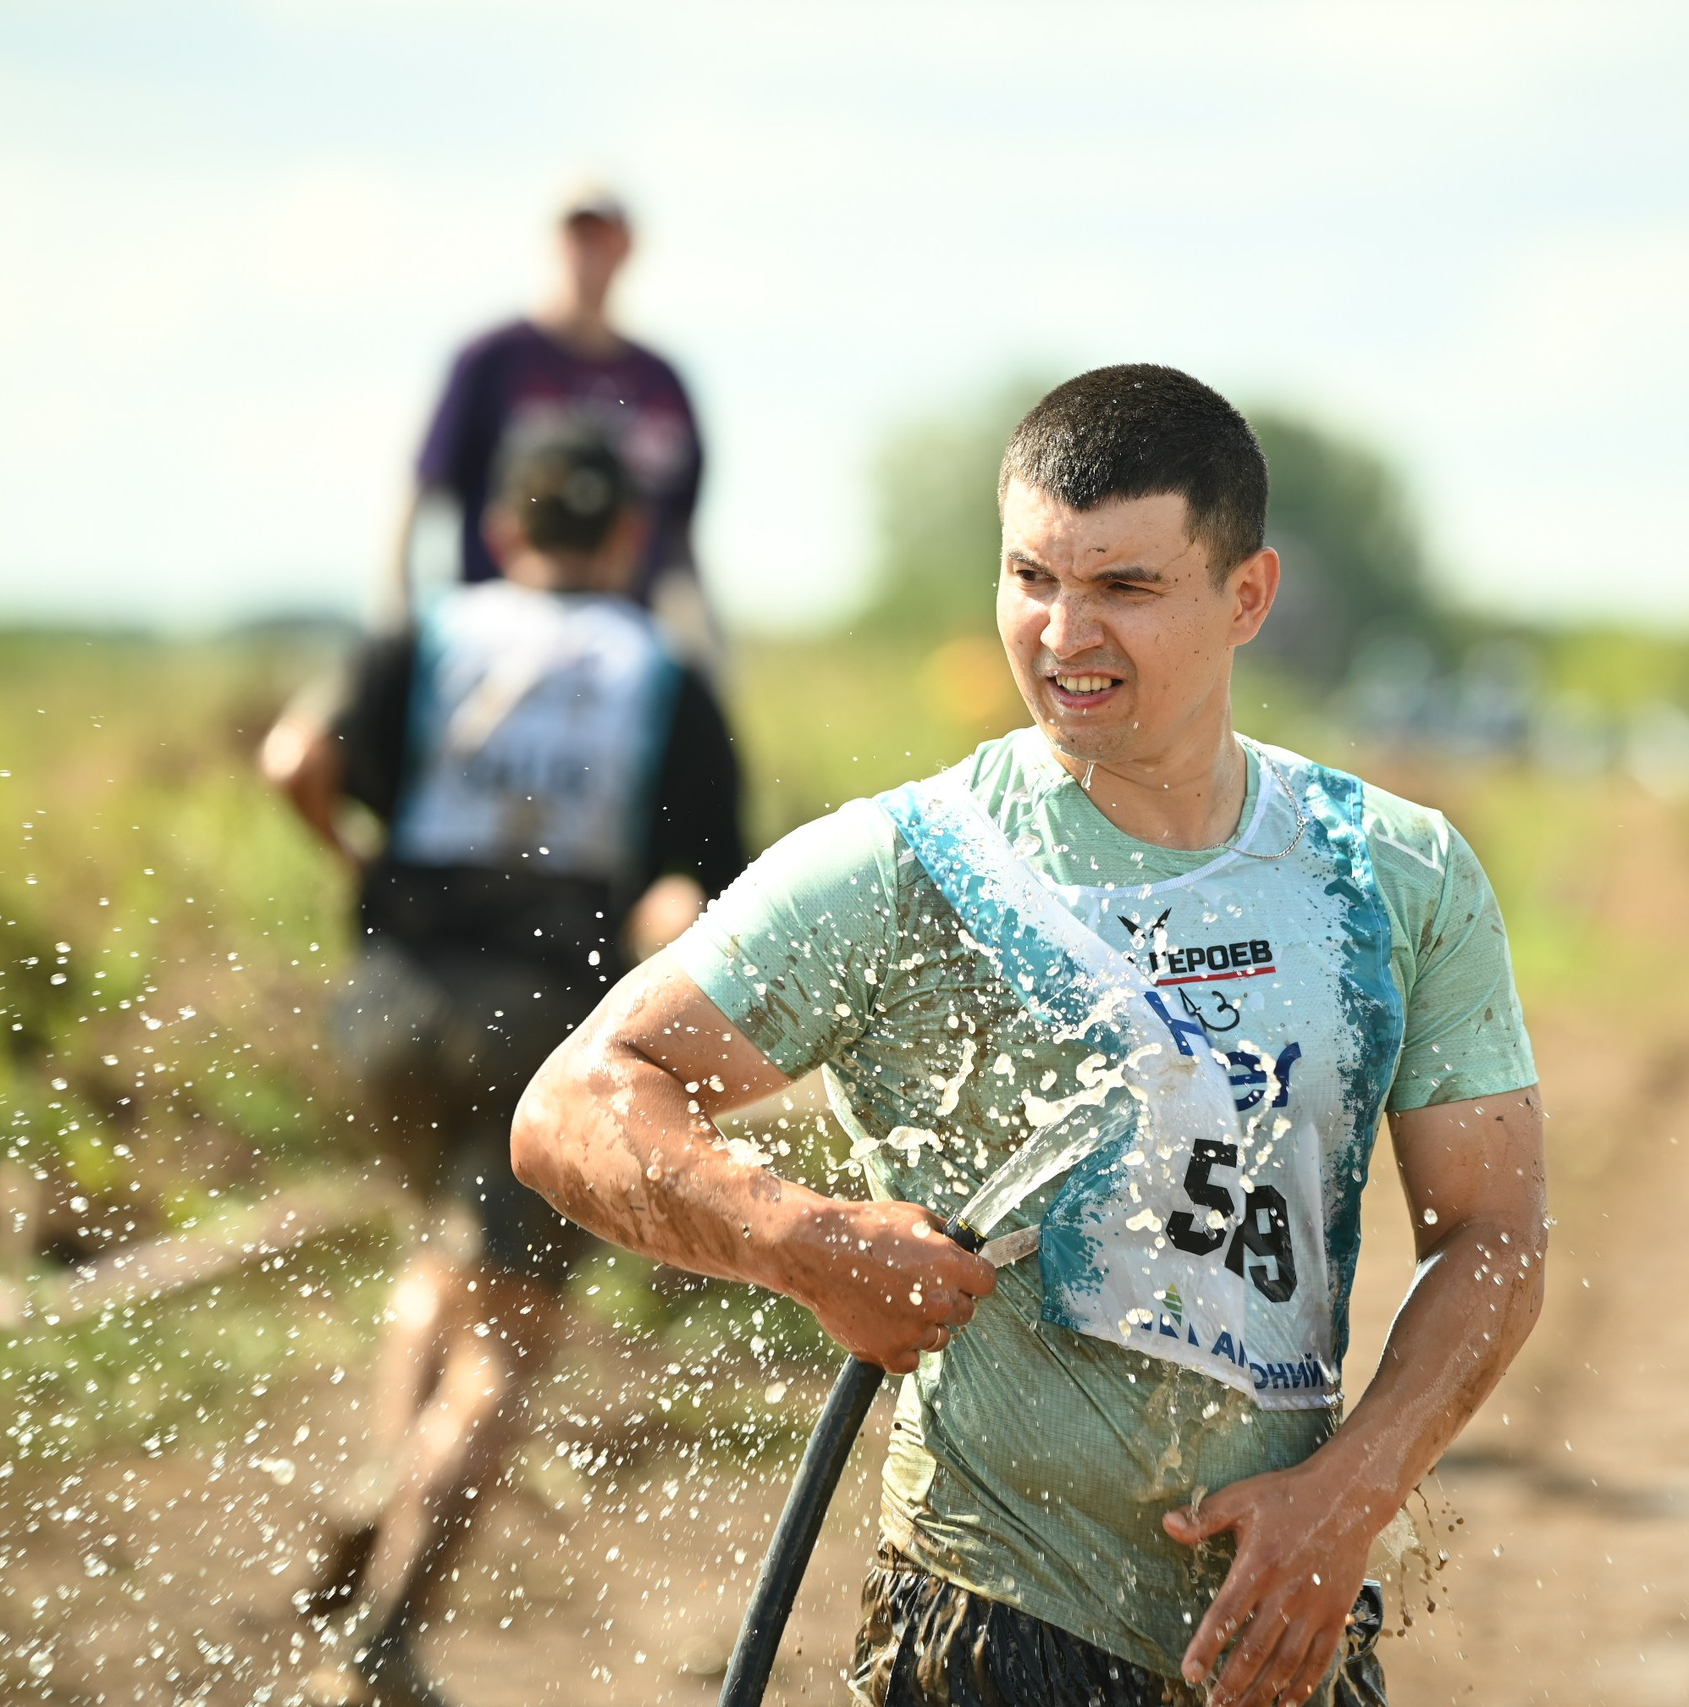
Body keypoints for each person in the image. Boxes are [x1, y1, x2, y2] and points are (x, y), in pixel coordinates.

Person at [510, 366, 1549, 1707]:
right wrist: (798, 1240)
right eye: (1031, 577)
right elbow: (572, 1102)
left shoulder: (1392, 870)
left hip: (1282, 1617)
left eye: (1125, 586)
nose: (1065, 634)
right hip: (986, 1622)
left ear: (1247, 597)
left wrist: (1352, 1492)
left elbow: (1494, 1233)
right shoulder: (908, 866)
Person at [261, 418, 748, 1706]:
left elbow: (294, 759)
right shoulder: (663, 670)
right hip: (542, 1019)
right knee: (511, 1336)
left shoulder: (426, 632)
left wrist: (356, 862)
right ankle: (382, 1641)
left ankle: (384, 1471)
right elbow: (698, 895)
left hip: (392, 1004)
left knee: (439, 1247)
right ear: (631, 535)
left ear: (501, 527)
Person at [391, 183, 713, 661]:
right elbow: (422, 492)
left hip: (615, 653)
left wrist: (704, 653)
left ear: (628, 248)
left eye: (604, 236)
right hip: (493, 646)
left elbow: (680, 539)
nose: (590, 251)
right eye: (579, 234)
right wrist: (399, 632)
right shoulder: (493, 360)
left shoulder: (659, 381)